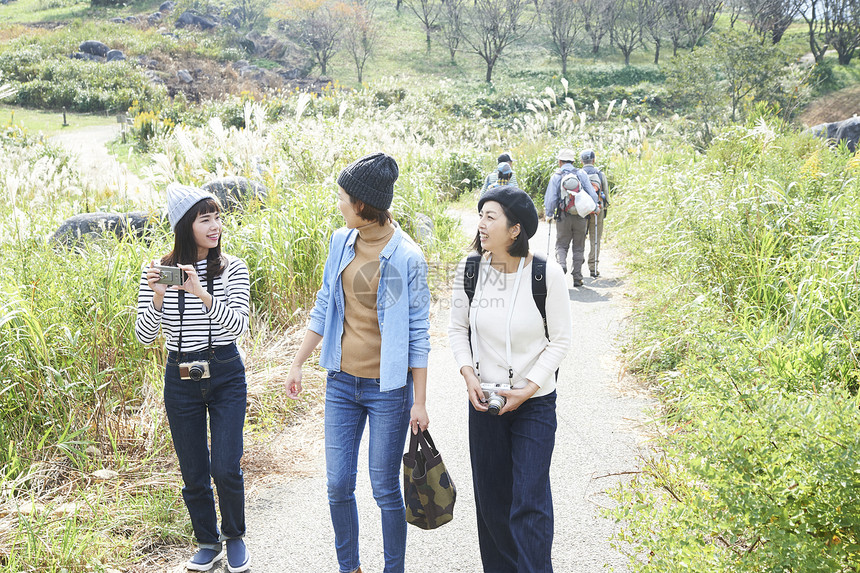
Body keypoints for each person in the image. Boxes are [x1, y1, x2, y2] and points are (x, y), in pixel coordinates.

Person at [285, 152, 431, 573]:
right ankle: (349, 567)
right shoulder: (340, 242)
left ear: (364, 205)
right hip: (342, 385)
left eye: (343, 197)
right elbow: (323, 305)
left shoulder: (406, 257)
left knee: (384, 488)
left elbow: (418, 336)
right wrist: (298, 363)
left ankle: (393, 569)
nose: (339, 204)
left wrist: (419, 402)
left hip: (387, 391)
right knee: (336, 485)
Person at [449, 185, 572, 573]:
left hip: (534, 404)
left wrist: (529, 387)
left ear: (515, 229)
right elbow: (456, 330)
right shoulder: (470, 270)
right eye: (480, 215)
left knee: (530, 501)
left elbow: (561, 341)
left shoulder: (545, 273)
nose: (481, 224)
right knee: (492, 503)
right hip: (484, 402)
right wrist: (468, 373)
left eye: (491, 217)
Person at [135, 183, 251, 573]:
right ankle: (207, 540)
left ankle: (234, 536)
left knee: (225, 466)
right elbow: (143, 335)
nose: (216, 226)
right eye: (206, 219)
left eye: (217, 217)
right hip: (179, 375)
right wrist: (158, 296)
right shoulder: (156, 270)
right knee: (193, 469)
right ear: (186, 225)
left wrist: (200, 291)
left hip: (225, 373)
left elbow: (236, 326)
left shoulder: (233, 267)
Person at [543, 148, 599, 287]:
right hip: (580, 215)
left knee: (561, 245)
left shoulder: (556, 176)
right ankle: (577, 277)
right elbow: (591, 193)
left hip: (563, 216)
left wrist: (549, 214)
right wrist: (595, 207)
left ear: (560, 161)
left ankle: (561, 265)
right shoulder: (581, 173)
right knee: (579, 247)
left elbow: (551, 198)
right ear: (574, 161)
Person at [580, 149, 609, 278]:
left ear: (581, 161)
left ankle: (577, 267)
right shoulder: (600, 174)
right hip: (598, 210)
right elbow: (606, 193)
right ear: (594, 160)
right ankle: (593, 267)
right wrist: (605, 207)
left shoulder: (579, 173)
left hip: (582, 210)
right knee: (595, 239)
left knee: (579, 239)